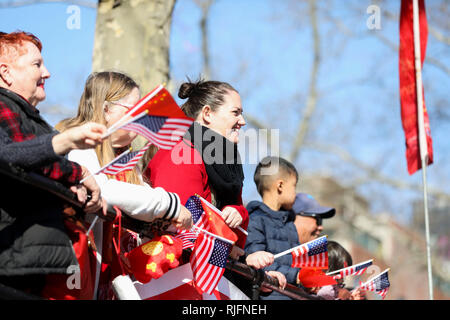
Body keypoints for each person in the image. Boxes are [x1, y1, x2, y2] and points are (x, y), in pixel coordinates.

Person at [56, 71, 193, 299]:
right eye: (133, 109)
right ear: (105, 109)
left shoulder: (127, 162)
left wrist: (172, 218)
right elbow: (101, 188)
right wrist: (168, 204)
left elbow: (144, 200)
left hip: (112, 281)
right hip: (75, 272)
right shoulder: (77, 144)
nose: (141, 116)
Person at [0, 31, 105, 297]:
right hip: (11, 259)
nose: (47, 73)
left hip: (32, 260)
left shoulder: (31, 118)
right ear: (6, 73)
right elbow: (11, 157)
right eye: (37, 64)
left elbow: (36, 164)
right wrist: (68, 154)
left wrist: (72, 184)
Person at [145, 78, 249, 249]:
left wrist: (240, 212)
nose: (242, 121)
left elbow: (238, 240)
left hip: (210, 267)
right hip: (178, 268)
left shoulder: (228, 164)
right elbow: (182, 230)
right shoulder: (180, 154)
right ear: (207, 113)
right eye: (235, 113)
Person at [244, 156, 300, 300]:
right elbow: (258, 264)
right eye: (294, 186)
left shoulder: (289, 223)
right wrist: (296, 275)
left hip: (292, 294)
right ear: (280, 185)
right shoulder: (255, 220)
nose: (296, 193)